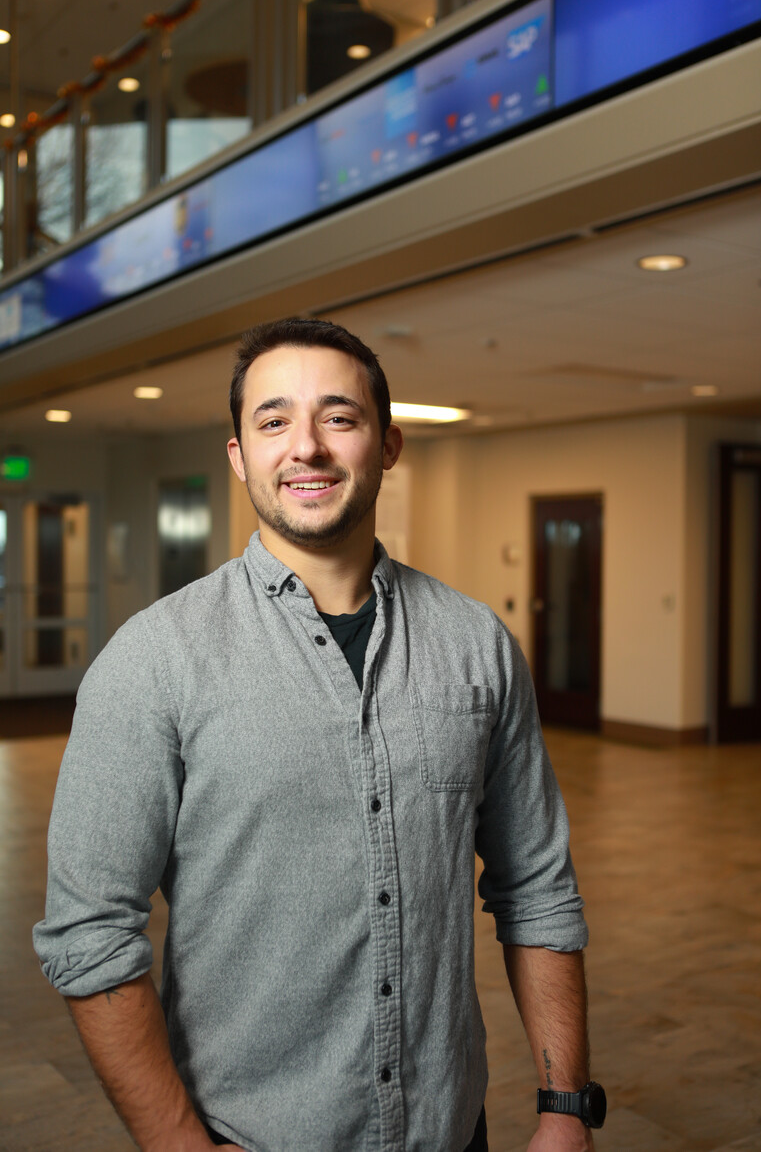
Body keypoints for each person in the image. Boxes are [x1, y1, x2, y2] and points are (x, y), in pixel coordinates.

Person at [33, 317, 603, 1152]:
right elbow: (90, 931)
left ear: (387, 445)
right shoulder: (154, 659)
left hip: (450, 1130)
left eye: (339, 417)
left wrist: (565, 1105)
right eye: (273, 421)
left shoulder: (477, 644)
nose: (306, 446)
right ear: (238, 455)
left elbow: (538, 886)